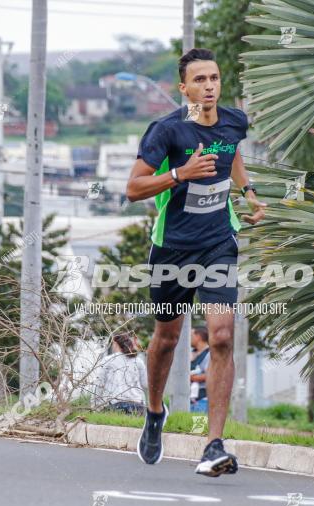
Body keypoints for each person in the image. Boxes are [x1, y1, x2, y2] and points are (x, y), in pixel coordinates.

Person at [125, 48, 266, 477]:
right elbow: (133, 189)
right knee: (167, 339)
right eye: (200, 80)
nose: (209, 86)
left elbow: (232, 156)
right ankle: (154, 412)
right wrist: (179, 175)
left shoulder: (233, 121)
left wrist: (248, 194)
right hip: (172, 248)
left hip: (218, 244)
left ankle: (214, 445)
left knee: (222, 335)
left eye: (215, 78)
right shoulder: (167, 131)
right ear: (183, 88)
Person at [92, 333, 147, 415]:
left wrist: (95, 404)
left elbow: (99, 383)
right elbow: (145, 384)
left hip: (115, 404)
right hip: (137, 405)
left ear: (116, 344)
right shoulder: (138, 361)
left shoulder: (108, 360)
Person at [189, 326, 209, 410]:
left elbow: (210, 375)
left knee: (199, 423)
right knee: (186, 422)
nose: (189, 338)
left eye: (191, 336)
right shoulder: (191, 353)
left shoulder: (210, 354)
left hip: (202, 399)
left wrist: (190, 377)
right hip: (188, 398)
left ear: (198, 337)